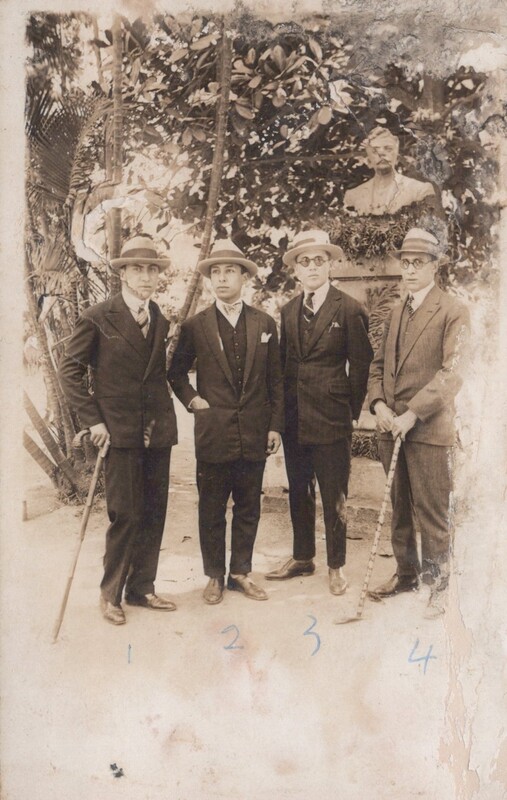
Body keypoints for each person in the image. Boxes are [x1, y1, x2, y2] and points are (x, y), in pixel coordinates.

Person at [58, 235, 178, 625]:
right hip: (118, 430)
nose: (146, 277)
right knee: (125, 513)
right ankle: (111, 594)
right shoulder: (98, 316)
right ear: (123, 273)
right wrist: (94, 421)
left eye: (152, 270)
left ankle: (142, 588)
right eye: (137, 269)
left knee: (154, 511)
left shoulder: (159, 317)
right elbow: (69, 372)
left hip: (157, 428)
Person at [168, 239, 284, 605]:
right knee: (212, 509)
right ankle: (215, 576)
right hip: (213, 432)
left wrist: (274, 426)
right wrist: (194, 401)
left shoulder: (265, 323)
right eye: (215, 272)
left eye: (229, 271)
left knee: (249, 506)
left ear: (244, 276)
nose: (221, 278)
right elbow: (175, 374)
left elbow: (276, 380)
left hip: (254, 432)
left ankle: (240, 573)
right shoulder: (195, 325)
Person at [367, 228, 470, 617]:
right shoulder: (397, 311)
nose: (409, 270)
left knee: (433, 513)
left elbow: (453, 373)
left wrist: (413, 413)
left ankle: (440, 586)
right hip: (391, 428)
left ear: (435, 266)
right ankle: (406, 574)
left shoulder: (453, 310)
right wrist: (379, 405)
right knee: (400, 508)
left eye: (418, 263)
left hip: (427, 430)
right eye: (405, 262)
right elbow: (378, 366)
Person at [265, 230, 373, 595]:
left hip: (332, 418)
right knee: (299, 490)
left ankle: (336, 565)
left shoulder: (349, 308)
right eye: (304, 261)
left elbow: (361, 366)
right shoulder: (287, 311)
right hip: (295, 418)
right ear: (295, 269)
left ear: (330, 265)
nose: (312, 267)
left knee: (334, 495)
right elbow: (282, 369)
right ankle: (303, 557)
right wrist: (279, 421)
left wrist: (349, 413)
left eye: (318, 260)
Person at [343, 127, 436, 216]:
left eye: (388, 149)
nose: (381, 154)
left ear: (397, 156)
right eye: (375, 151)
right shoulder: (352, 196)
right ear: (369, 159)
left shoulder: (420, 190)